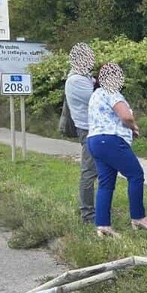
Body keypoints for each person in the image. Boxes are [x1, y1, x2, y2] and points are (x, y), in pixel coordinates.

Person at [86, 62, 147, 237]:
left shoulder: (95, 95)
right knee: (136, 175)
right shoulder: (111, 92)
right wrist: (133, 126)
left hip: (95, 141)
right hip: (111, 140)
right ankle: (139, 217)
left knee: (106, 184)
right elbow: (125, 116)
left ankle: (103, 225)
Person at [64, 43, 98, 224]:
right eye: (88, 57)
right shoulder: (76, 80)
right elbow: (99, 98)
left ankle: (97, 210)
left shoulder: (85, 78)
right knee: (89, 172)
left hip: (95, 130)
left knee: (100, 171)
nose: (91, 60)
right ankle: (88, 215)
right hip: (88, 130)